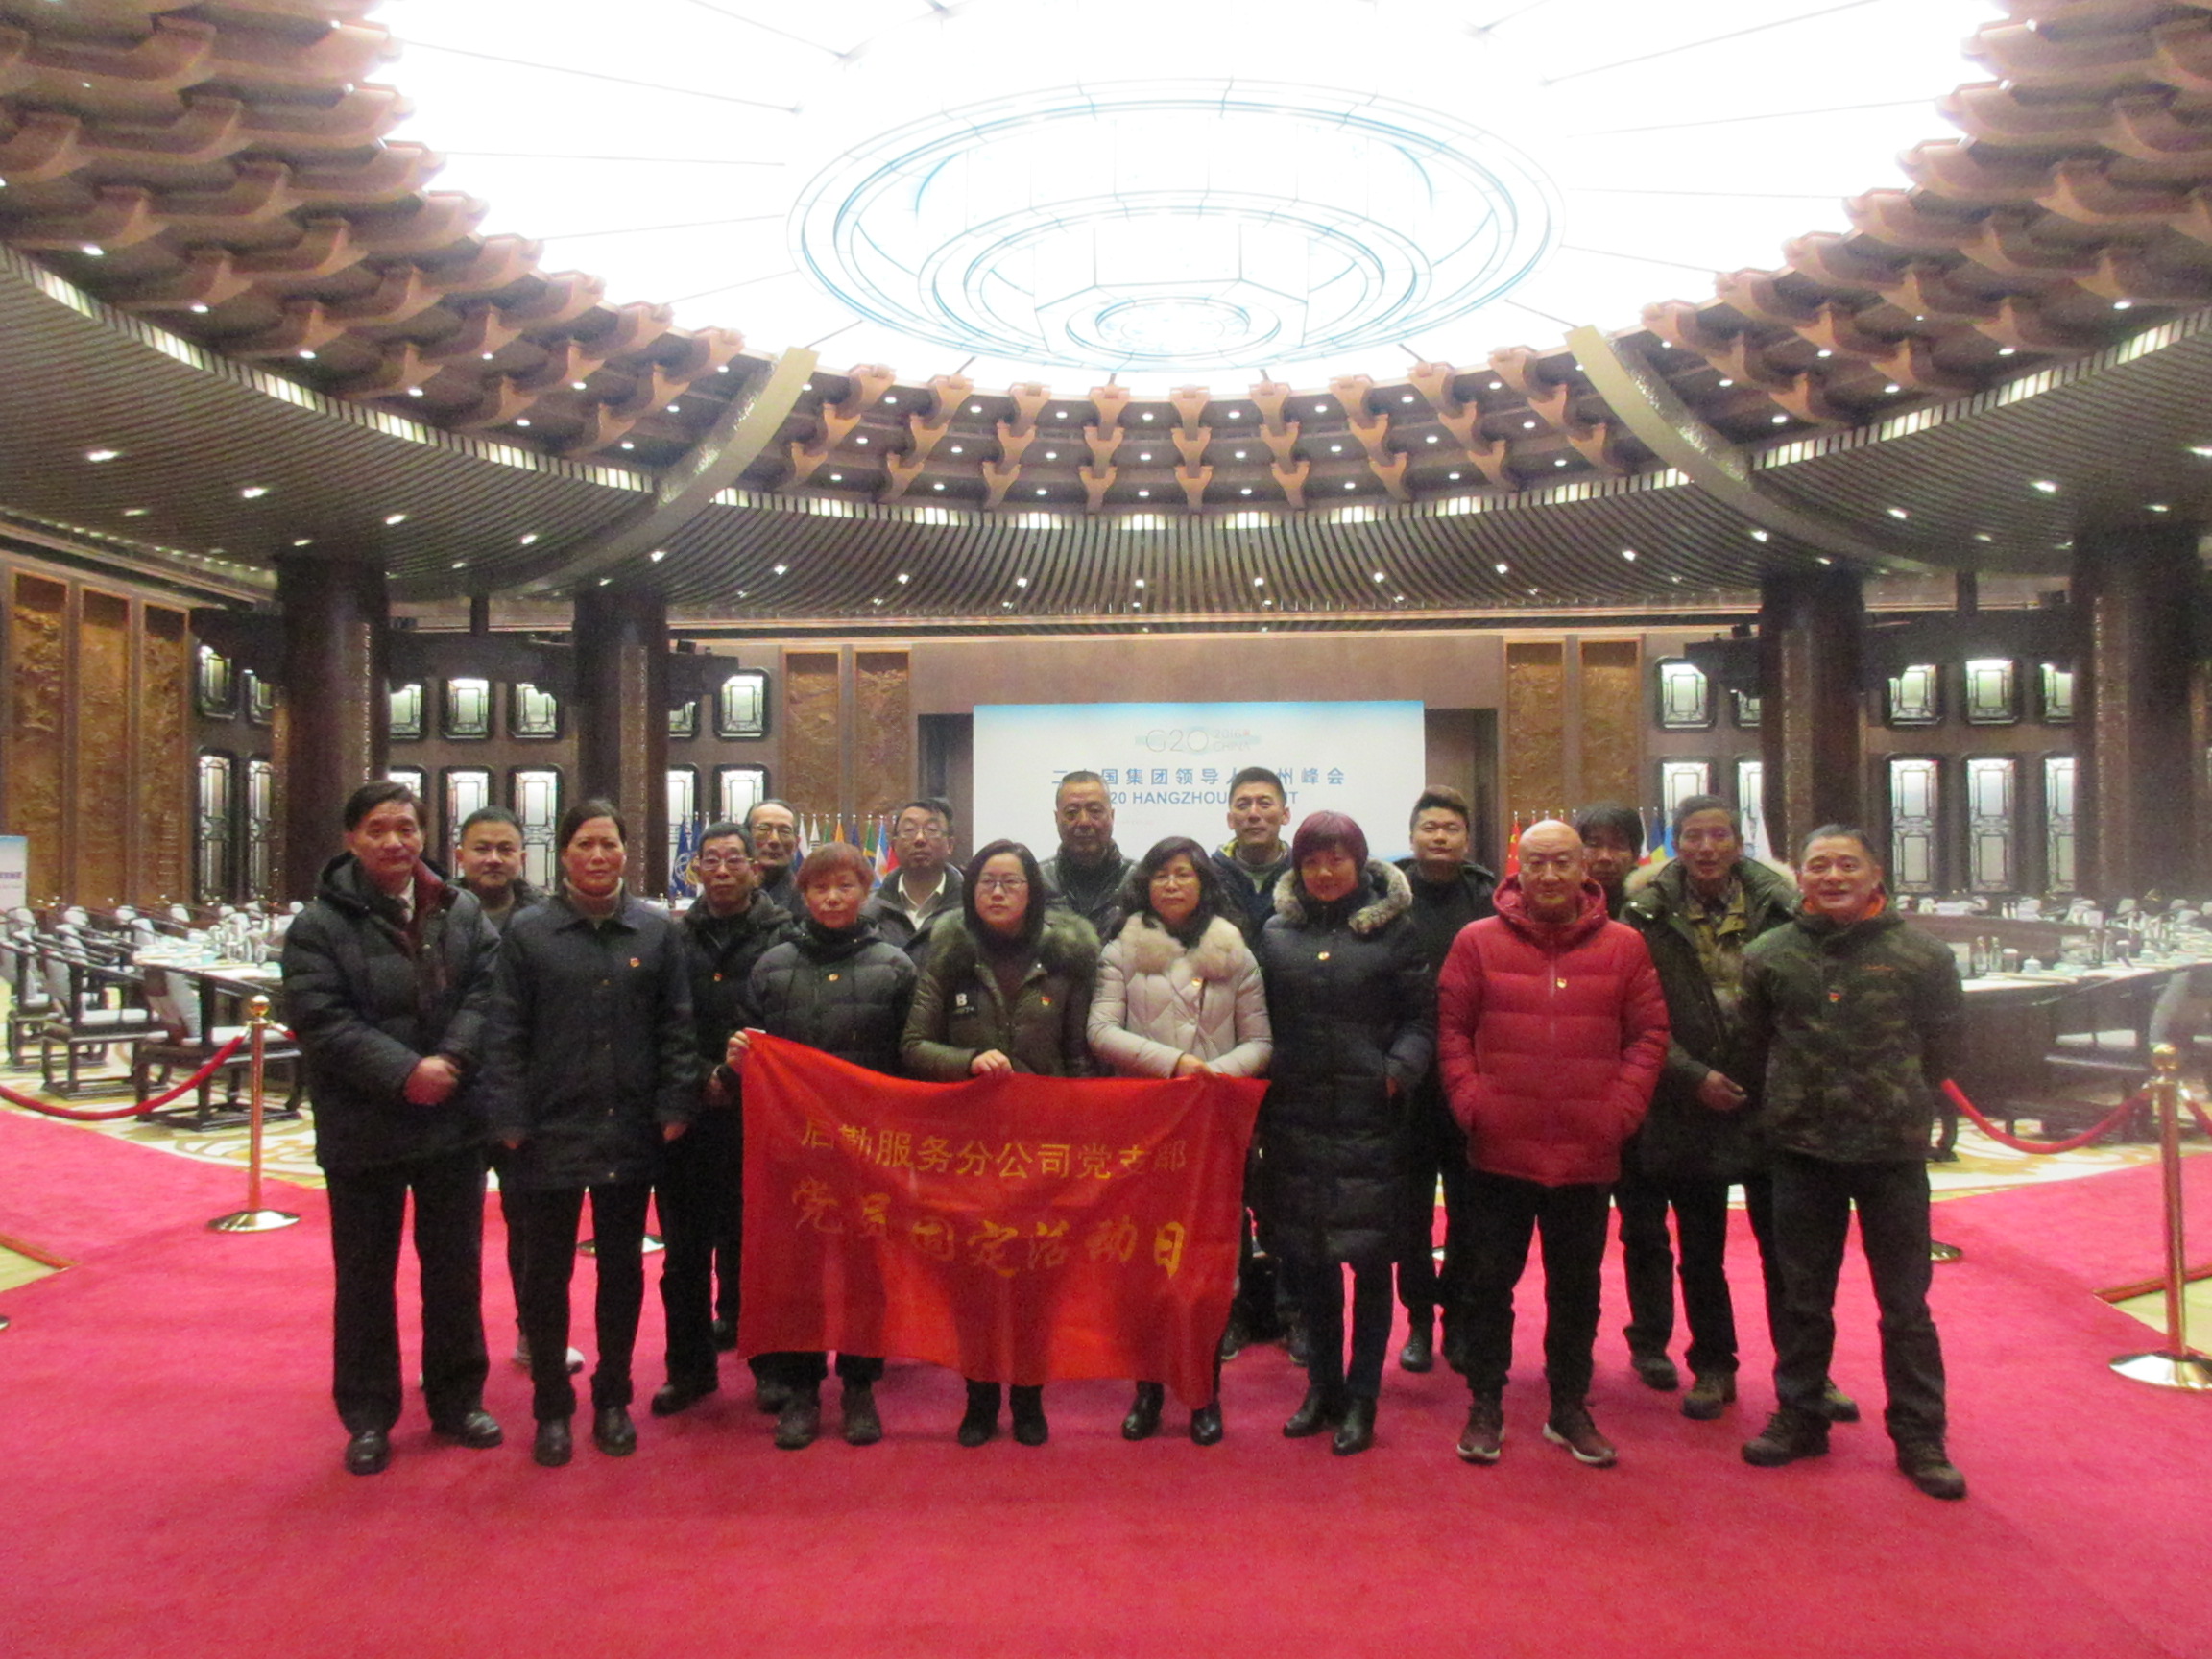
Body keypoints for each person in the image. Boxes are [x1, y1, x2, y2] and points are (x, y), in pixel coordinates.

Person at [1738, 826, 1968, 1501]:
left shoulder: (1922, 955)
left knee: (1905, 1304)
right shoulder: (1769, 954)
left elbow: (1946, 1051)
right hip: (1801, 1151)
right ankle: (1800, 1414)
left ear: (1875, 875)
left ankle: (1920, 1435)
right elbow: (1753, 1045)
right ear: (1800, 877)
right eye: (1819, 866)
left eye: (1847, 865)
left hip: (1890, 1151)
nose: (1832, 877)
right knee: (1803, 1298)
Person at [280, 781, 503, 1476]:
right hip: (364, 1126)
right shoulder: (318, 925)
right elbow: (320, 1019)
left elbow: (488, 993)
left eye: (406, 828)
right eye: (378, 829)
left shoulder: (460, 909)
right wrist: (406, 1072)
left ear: (423, 835)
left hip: (451, 1121)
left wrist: (450, 1062)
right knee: (365, 1278)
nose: (394, 841)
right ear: (352, 838)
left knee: (455, 1271)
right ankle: (369, 1415)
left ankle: (458, 1400)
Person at [1618, 795, 1857, 1424]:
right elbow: (1635, 1014)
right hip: (1687, 1101)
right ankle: (1713, 1365)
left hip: (1774, 1101)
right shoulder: (1644, 912)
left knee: (1789, 1254)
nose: (1706, 848)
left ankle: (1807, 1372)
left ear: (1737, 842)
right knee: (1701, 1251)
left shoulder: (1786, 905)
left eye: (1718, 835)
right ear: (1676, 844)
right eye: (1693, 836)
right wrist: (1692, 1076)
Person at [1438, 818, 1668, 1470]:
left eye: (1561, 862)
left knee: (1577, 1290)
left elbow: (1649, 1035)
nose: (1548, 875)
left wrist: (1620, 1111)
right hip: (1499, 1147)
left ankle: (1568, 1406)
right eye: (1535, 863)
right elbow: (1452, 1031)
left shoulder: (1625, 945)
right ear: (1518, 869)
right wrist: (1472, 1103)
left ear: (1583, 868)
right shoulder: (1476, 941)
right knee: (1489, 1285)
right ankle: (1486, 1402)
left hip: (1586, 1149)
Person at [481, 800, 698, 1468]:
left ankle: (613, 1397)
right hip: (546, 1130)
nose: (599, 856)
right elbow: (504, 1031)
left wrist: (675, 1102)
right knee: (544, 1273)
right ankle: (551, 1404)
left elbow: (677, 1027)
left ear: (626, 852)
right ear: (564, 854)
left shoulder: (656, 931)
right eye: (585, 845)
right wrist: (508, 1117)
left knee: (622, 1271)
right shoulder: (529, 932)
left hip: (628, 1127)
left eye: (609, 844)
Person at [902, 838, 1099, 1448]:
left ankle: (1030, 1397)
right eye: (987, 881)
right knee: (975, 1275)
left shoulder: (1066, 958)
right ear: (971, 891)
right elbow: (913, 1046)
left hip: (1042, 1144)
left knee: (1036, 1275)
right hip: (969, 1143)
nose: (998, 893)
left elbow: (1078, 1056)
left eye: (1012, 882)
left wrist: (1080, 1131)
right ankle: (980, 1397)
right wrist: (966, 1062)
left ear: (1033, 892)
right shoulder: (949, 955)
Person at [1253, 812, 1432, 1456]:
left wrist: (1396, 1073)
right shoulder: (1276, 933)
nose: (1325, 873)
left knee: (1371, 1264)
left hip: (1371, 1121)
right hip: (1297, 1118)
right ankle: (1322, 1389)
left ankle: (1362, 1398)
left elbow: (1423, 1020)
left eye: (1337, 860)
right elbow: (1261, 1019)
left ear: (1358, 862)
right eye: (1312, 862)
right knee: (1310, 1264)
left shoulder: (1395, 931)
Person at [730, 842, 917, 1449]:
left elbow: (908, 1060)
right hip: (795, 1148)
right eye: (819, 888)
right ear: (803, 895)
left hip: (869, 1148)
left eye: (845, 886)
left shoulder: (895, 966)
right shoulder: (772, 965)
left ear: (867, 891)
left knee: (865, 1269)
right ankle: (802, 1389)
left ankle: (860, 1385)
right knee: (799, 1270)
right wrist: (739, 1058)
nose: (832, 898)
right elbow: (753, 1046)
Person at [1087, 835, 1273, 1446]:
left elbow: (1260, 1042)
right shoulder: (1121, 951)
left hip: (1214, 1127)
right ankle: (1146, 1389)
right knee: (1144, 1262)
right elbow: (1100, 1031)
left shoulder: (1235, 952)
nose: (1172, 884)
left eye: (1184, 874)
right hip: (1145, 1126)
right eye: (1161, 874)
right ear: (1145, 884)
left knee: (1209, 1265)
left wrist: (1214, 1075)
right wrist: (1174, 1065)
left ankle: (1204, 1391)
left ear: (1203, 884)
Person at [656, 821, 788, 1421]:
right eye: (712, 860)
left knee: (758, 1247)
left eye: (736, 859)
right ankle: (688, 1371)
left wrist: (732, 1077)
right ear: (696, 870)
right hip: (688, 1112)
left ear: (755, 869)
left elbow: (781, 1020)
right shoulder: (672, 937)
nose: (724, 870)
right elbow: (663, 1021)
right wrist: (700, 1079)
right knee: (684, 1253)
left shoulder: (783, 935)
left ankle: (771, 1368)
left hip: (758, 1112)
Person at [452, 805, 577, 1379]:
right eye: (482, 848)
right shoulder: (437, 914)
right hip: (456, 1093)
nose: (493, 859)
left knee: (533, 1230)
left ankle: (536, 1337)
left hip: (529, 1097)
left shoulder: (547, 919)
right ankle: (454, 1353)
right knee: (453, 1237)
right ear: (460, 854)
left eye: (505, 849)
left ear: (523, 857)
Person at [1391, 785, 1496, 1374]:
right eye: (1429, 827)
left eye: (1451, 828)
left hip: (1470, 1079)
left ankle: (1458, 1316)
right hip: (1406, 1083)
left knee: (1470, 1212)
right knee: (1408, 1216)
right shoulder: (1387, 898)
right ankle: (1418, 1321)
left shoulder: (1489, 900)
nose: (1439, 837)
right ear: (1412, 836)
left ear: (1466, 839)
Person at [864, 796, 962, 968]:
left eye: (932, 830)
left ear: (950, 845)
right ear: (893, 845)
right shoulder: (868, 911)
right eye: (909, 830)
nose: (919, 838)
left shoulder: (971, 908)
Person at [1039, 770, 1135, 937]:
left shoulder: (1138, 880)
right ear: (1057, 818)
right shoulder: (1037, 880)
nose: (1084, 822)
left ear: (1111, 816)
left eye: (1095, 811)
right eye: (1071, 813)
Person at [1212, 766, 1294, 936]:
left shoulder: (1303, 875)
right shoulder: (1208, 876)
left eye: (1265, 804)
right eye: (1243, 805)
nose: (1253, 814)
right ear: (1230, 820)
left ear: (1285, 815)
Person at [1574, 802, 1645, 920]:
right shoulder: (1563, 903)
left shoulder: (1653, 905)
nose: (1605, 857)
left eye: (1617, 846)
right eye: (1594, 845)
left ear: (1636, 854)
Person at [744, 798, 803, 913]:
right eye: (763, 829)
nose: (774, 840)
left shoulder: (807, 899)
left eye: (785, 831)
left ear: (796, 843)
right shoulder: (727, 894)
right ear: (746, 837)